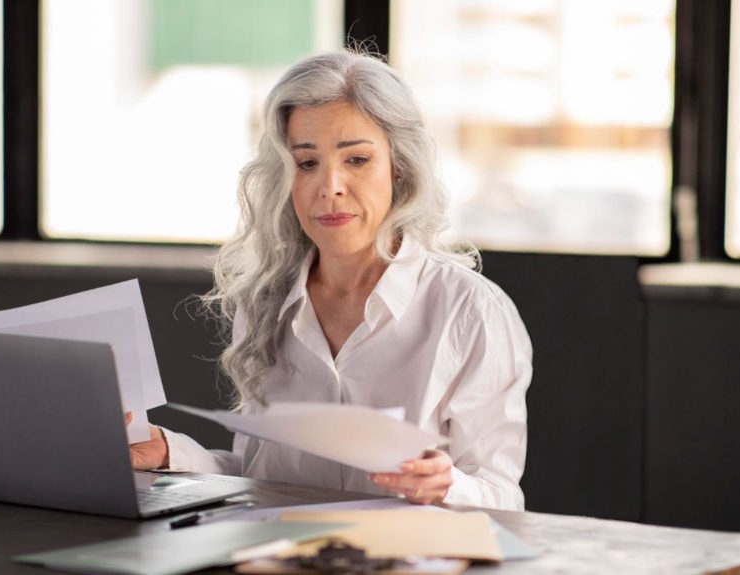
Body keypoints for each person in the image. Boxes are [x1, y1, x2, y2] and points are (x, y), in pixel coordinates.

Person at [129, 50, 532, 511]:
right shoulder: (266, 303)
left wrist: (447, 485)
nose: (330, 187)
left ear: (398, 167)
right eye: (306, 163)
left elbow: (501, 497)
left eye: (357, 159)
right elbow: (265, 478)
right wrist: (171, 453)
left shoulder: (470, 311)